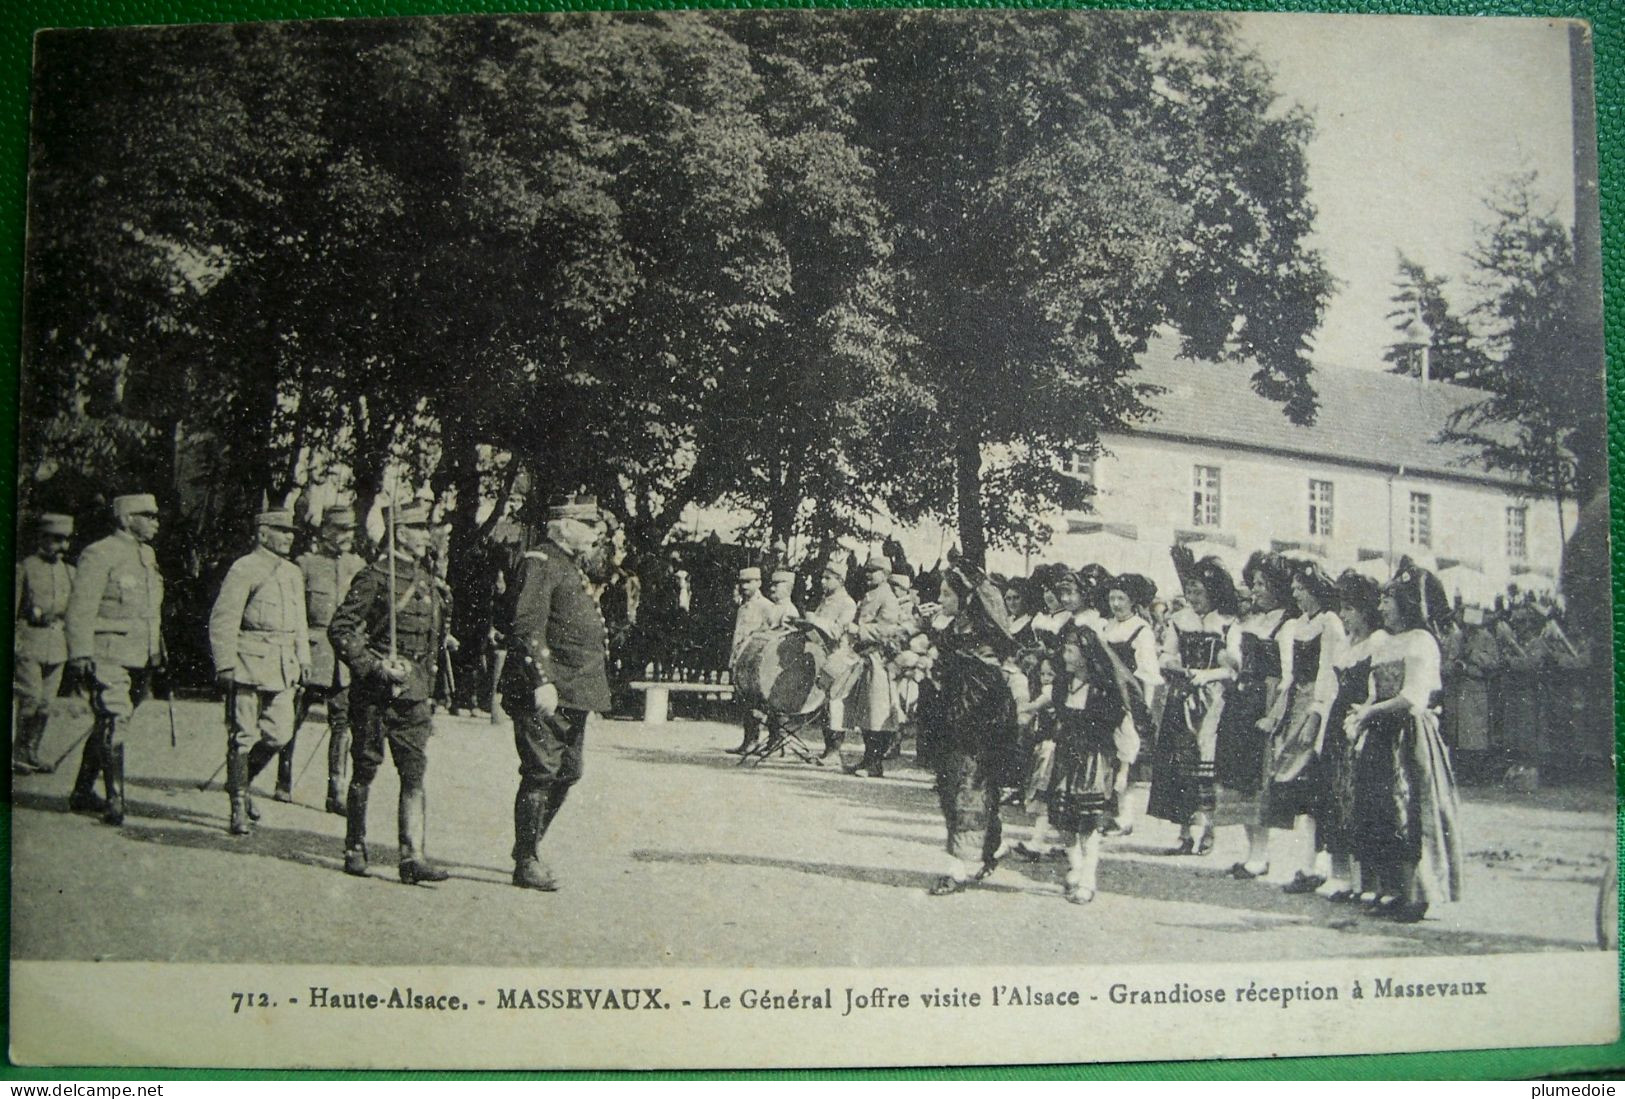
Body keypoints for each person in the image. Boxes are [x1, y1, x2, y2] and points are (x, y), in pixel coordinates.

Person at [330, 503, 452, 884]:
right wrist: (375, 665)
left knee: (414, 772)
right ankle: (355, 845)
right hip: (375, 691)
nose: (426, 535)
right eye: (418, 528)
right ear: (400, 532)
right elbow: (342, 630)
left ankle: (412, 855)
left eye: (426, 528)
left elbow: (431, 643)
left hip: (414, 694)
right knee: (365, 766)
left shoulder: (429, 581)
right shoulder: (375, 576)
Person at [497, 495, 613, 892]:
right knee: (541, 771)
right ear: (564, 526)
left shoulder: (569, 567)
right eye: (587, 524)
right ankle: (526, 860)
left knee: (569, 771)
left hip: (573, 691)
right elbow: (527, 626)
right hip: (546, 692)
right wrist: (541, 680)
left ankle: (527, 848)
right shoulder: (540, 562)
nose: (595, 532)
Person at [1349, 560, 1463, 923]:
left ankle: (1420, 893)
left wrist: (1370, 713)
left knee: (1412, 810)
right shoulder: (1382, 642)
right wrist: (1361, 713)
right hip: (1381, 733)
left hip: (1409, 734)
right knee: (1380, 809)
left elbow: (1412, 696)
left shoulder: (1422, 641)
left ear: (1408, 604)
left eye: (1388, 600)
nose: (1381, 607)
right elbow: (1374, 691)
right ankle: (1391, 888)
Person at [208, 509, 312, 836]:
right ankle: (238, 805)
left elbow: (299, 621)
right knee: (242, 736)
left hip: (283, 665)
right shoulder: (244, 568)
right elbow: (224, 619)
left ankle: (241, 782)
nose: (289, 537)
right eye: (281, 530)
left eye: (291, 531)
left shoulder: (293, 572)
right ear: (262, 533)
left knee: (280, 733)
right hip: (248, 662)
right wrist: (224, 663)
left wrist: (303, 658)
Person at [918, 563, 1020, 895]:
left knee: (967, 791)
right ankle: (988, 850)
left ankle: (957, 870)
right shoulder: (953, 629)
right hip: (954, 721)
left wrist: (935, 668)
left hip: (978, 722)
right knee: (957, 789)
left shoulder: (981, 633)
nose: (941, 599)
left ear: (965, 598)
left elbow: (980, 678)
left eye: (948, 594)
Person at [64, 494, 165, 824]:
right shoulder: (100, 553)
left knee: (111, 721)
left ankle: (81, 791)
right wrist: (79, 653)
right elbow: (80, 608)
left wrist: (156, 650)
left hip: (139, 655)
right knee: (115, 717)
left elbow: (151, 611)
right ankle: (115, 800)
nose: (155, 522)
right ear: (126, 518)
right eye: (147, 516)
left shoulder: (147, 555)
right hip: (106, 650)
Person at [1256, 560, 1345, 891]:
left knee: (1314, 785)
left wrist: (1317, 715)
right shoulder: (1295, 626)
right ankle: (1308, 863)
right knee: (1300, 789)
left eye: (1300, 589)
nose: (1295, 594)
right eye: (1293, 589)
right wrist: (1279, 713)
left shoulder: (1329, 623)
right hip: (1297, 703)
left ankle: (1317, 864)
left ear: (1314, 590)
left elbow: (1329, 673)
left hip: (1319, 706)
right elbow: (1289, 675)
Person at [1145, 552, 1239, 856]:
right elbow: (1166, 654)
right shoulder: (1179, 620)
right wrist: (1174, 665)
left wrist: (1208, 674)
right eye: (1190, 591)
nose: (1193, 597)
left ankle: (1209, 828)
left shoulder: (1227, 623)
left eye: (1199, 592)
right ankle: (1184, 831)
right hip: (1182, 694)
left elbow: (1234, 668)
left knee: (1205, 762)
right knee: (1179, 761)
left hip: (1213, 698)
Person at [1222, 551, 1295, 880]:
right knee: (1242, 777)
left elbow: (1289, 674)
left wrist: (1276, 713)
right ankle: (1252, 851)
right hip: (1244, 697)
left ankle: (1261, 854)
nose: (1256, 590)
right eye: (1254, 584)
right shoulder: (1251, 620)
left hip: (1267, 700)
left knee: (1261, 778)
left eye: (1263, 584)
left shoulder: (1287, 623)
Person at [1317, 569, 1389, 903]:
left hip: (1362, 721)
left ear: (1366, 609)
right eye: (1342, 608)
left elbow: (1378, 689)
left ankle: (1365, 880)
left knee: (1360, 799)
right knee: (1335, 796)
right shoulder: (1346, 643)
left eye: (1350, 609)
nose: (1344, 616)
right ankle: (1340, 874)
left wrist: (1362, 721)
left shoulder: (1378, 642)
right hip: (1337, 720)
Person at [290, 505, 366, 814]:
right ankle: (283, 780)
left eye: (350, 529)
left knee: (342, 724)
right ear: (324, 531)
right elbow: (295, 614)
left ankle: (335, 791)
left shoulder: (358, 565)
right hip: (312, 653)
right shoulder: (305, 565)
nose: (346, 536)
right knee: (293, 719)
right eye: (339, 529)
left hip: (343, 660)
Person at [1048, 619, 1127, 904]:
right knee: (1062, 820)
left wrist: (1122, 769)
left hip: (1093, 759)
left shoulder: (1104, 689)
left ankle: (1088, 877)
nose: (1065, 656)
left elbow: (1117, 725)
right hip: (1066, 756)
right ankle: (1076, 865)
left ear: (1086, 654)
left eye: (1071, 651)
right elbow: (1056, 712)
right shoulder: (1062, 684)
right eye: (1065, 650)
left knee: (1088, 823)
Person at [1097, 572, 1160, 837]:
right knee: (1109, 756)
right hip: (1105, 698)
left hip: (1129, 699)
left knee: (1128, 758)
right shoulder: (1107, 627)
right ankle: (1109, 813)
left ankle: (1126, 817)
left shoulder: (1141, 630)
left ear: (1133, 601)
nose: (1116, 604)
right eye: (1112, 598)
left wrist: (1142, 709)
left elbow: (1147, 672)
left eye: (1121, 598)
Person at [838, 555, 910, 778]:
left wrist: (858, 630)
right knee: (866, 712)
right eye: (868, 571)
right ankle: (868, 760)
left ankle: (874, 763)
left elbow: (886, 629)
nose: (869, 575)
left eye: (874, 571)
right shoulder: (870, 595)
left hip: (880, 659)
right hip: (865, 658)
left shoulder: (887, 597)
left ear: (886, 574)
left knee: (878, 713)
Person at [14, 513, 75, 775]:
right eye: (57, 540)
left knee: (47, 702)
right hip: (29, 642)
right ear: (42, 538)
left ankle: (32, 751)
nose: (63, 546)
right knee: (31, 698)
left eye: (66, 540)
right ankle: (17, 752)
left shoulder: (70, 572)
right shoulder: (25, 568)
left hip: (58, 645)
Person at [803, 553, 857, 762]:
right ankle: (828, 749)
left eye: (828, 578)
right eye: (823, 578)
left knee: (835, 702)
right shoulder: (826, 600)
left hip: (839, 657)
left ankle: (835, 750)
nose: (822, 581)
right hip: (822, 656)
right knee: (825, 702)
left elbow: (837, 631)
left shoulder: (847, 603)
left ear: (840, 579)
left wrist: (814, 620)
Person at [725, 566, 778, 756]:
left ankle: (766, 741)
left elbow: (773, 635)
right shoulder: (743, 607)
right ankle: (748, 740)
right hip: (741, 660)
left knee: (759, 702)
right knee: (745, 702)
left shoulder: (767, 606)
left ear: (759, 583)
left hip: (756, 662)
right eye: (741, 582)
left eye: (748, 582)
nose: (744, 586)